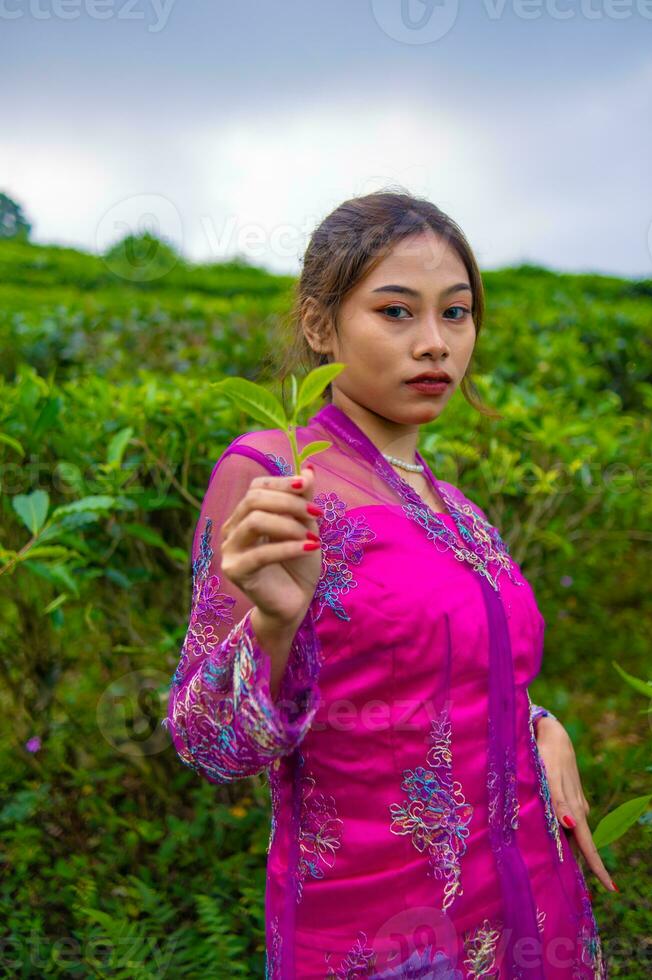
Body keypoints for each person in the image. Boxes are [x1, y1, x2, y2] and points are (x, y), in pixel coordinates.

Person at [165, 191, 614, 978]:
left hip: (530, 908)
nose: (435, 344)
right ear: (319, 324)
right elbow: (208, 743)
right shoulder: (275, 474)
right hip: (384, 940)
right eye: (397, 312)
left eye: (457, 313)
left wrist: (540, 723)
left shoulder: (457, 505)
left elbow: (444, 666)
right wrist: (272, 627)